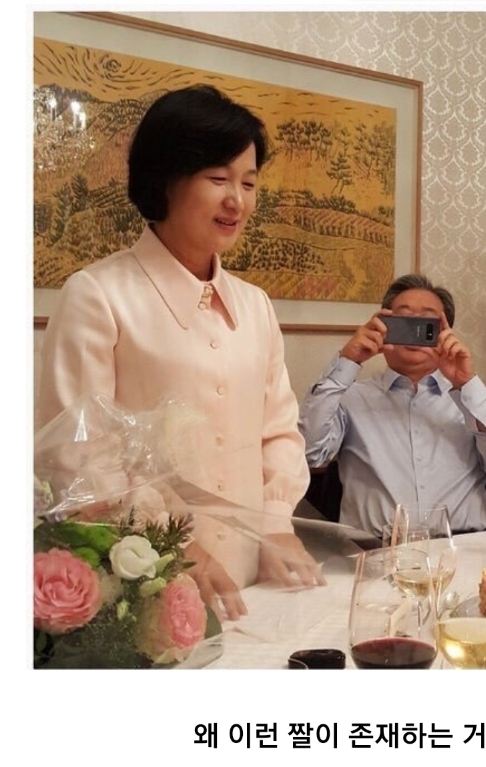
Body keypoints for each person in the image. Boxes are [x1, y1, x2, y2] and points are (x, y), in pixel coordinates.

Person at [37, 85, 323, 618]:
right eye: (217, 179)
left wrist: (277, 524)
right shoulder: (98, 295)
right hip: (142, 589)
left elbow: (278, 432)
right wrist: (170, 546)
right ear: (165, 178)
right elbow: (79, 458)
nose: (237, 200)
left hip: (253, 586)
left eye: (249, 182)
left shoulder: (255, 305)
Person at [298, 274, 486, 537]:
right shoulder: (351, 397)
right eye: (404, 319)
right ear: (384, 326)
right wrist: (348, 360)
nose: (415, 328)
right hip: (377, 550)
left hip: (465, 547)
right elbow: (308, 453)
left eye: (427, 321)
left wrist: (466, 383)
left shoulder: (471, 400)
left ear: (445, 333)